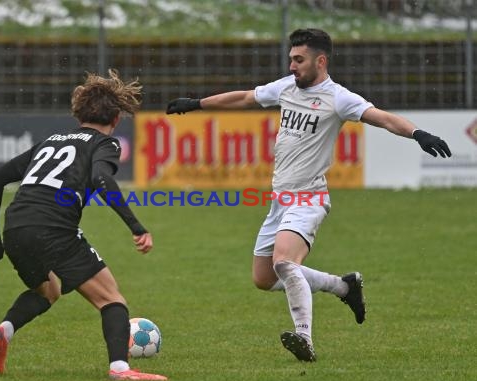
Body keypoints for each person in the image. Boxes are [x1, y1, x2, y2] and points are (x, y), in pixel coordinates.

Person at [166, 28, 451, 362]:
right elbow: (245, 98)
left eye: (298, 60)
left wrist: (418, 133)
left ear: (320, 61)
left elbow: (382, 118)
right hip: (280, 201)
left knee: (285, 263)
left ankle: (304, 337)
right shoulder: (286, 88)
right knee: (263, 278)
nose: (292, 66)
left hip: (309, 198)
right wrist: (197, 104)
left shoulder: (338, 98)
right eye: (290, 59)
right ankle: (343, 287)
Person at [0, 69, 167, 381]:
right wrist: (136, 226)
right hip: (53, 229)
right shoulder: (105, 144)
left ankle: (3, 332)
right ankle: (120, 369)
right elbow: (101, 178)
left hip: (15, 226)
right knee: (112, 299)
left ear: (78, 112)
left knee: (48, 290)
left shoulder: (50, 141)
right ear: (117, 118)